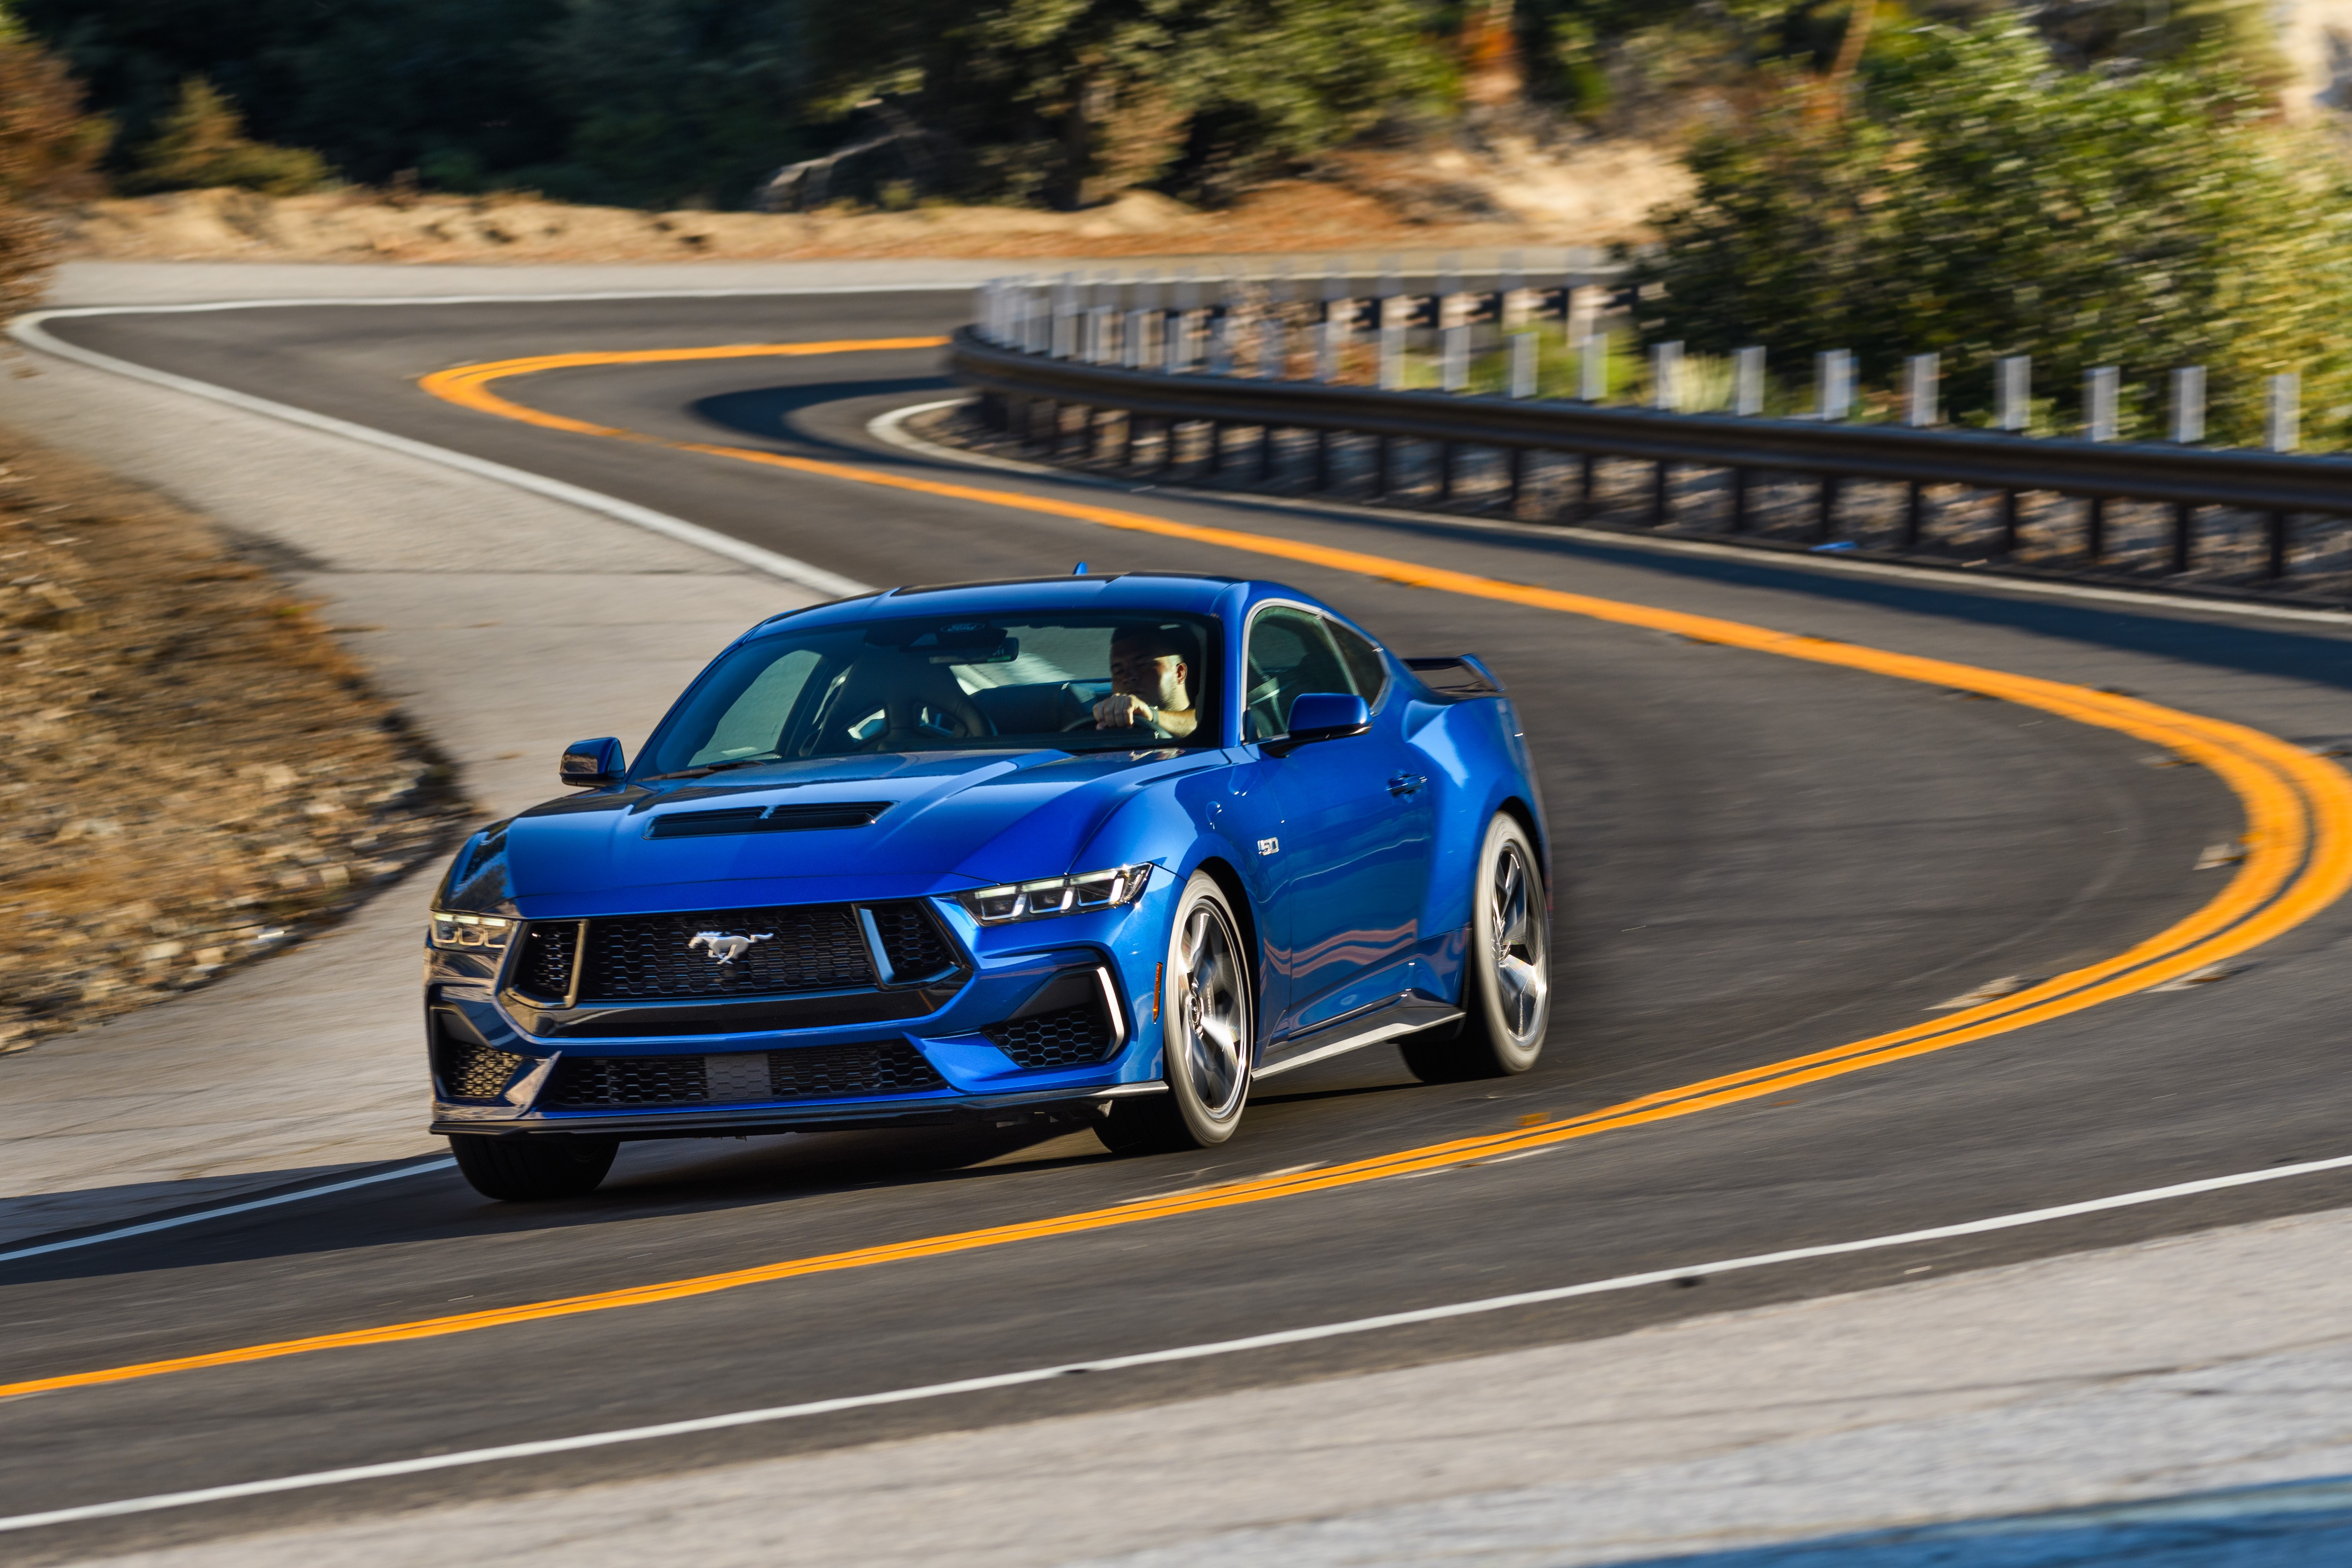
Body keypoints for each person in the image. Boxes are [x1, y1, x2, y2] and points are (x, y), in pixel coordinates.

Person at [1092, 626, 1199, 738]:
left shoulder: (1215, 725)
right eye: (1119, 671)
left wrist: (1153, 716)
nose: (1128, 677)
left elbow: (1203, 724)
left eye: (1142, 665)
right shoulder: (1103, 729)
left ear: (1179, 673)